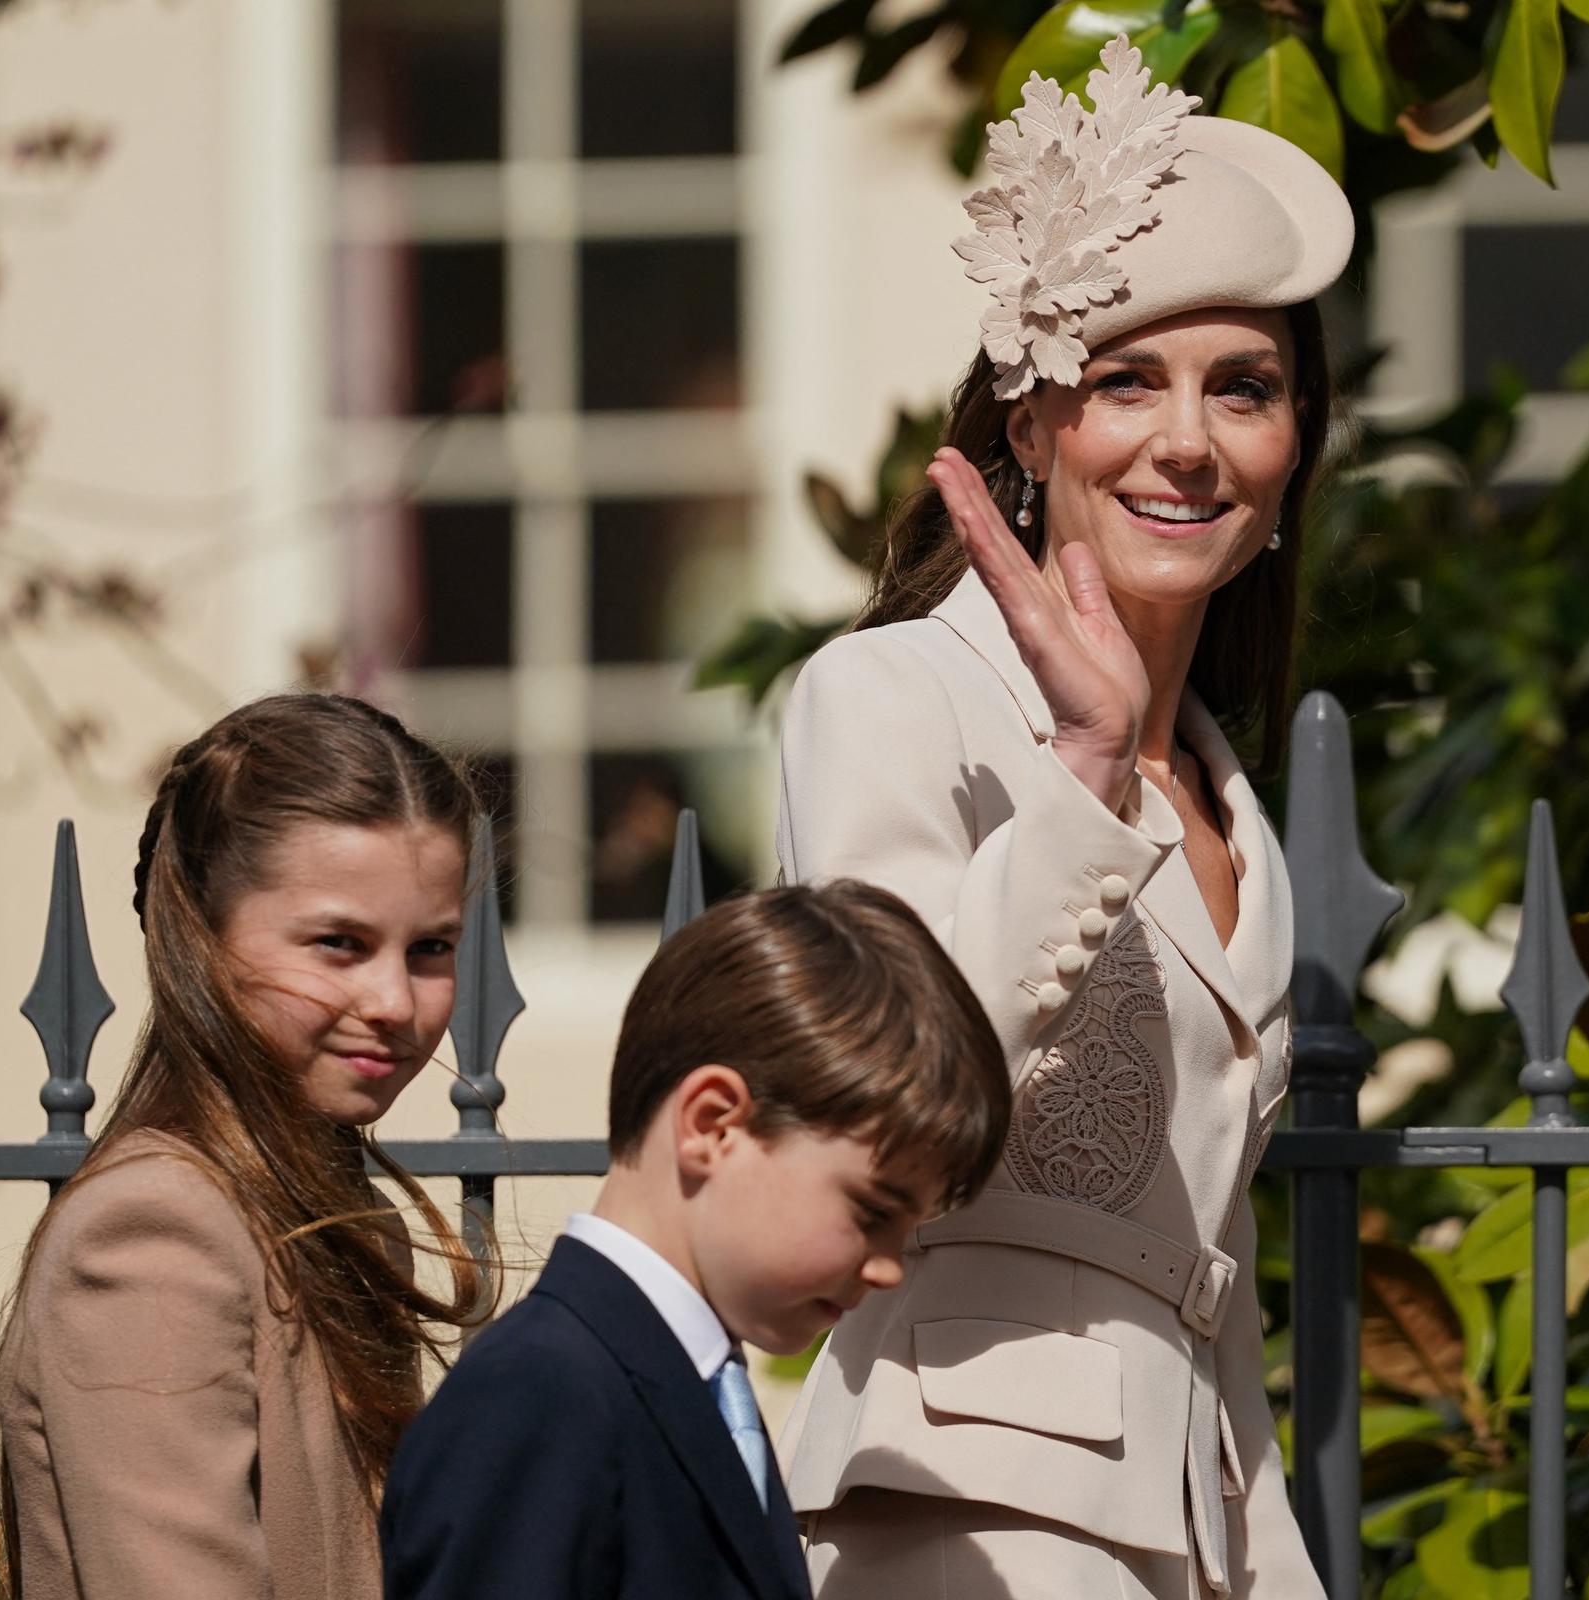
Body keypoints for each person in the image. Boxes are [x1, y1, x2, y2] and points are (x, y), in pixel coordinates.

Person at [774, 34, 1351, 1600]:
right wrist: (1085, 776)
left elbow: (1200, 1287)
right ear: (1029, 434)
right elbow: (881, 1102)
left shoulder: (1232, 785)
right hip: (957, 1508)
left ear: (1297, 444)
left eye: (1246, 388)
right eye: (1124, 383)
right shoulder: (890, 694)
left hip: (1204, 1531)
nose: (1189, 440)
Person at [0, 694, 495, 1600]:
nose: (395, 1002)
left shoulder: (336, 1208)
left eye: (430, 949)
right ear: (201, 939)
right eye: (339, 943)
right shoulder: (152, 1236)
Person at [376, 881, 1010, 1600]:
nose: (890, 1268)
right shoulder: (540, 1394)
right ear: (712, 1124)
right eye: (871, 1212)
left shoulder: (696, 1386)